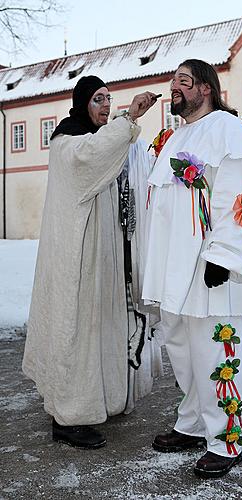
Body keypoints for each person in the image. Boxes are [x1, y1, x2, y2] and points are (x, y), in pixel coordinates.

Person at [142, 59, 242, 478]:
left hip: (212, 267)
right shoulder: (176, 136)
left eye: (183, 80)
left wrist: (225, 256)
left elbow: (238, 196)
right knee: (182, 348)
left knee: (216, 349)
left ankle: (227, 439)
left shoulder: (228, 131)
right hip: (174, 271)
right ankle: (196, 423)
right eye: (173, 80)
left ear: (206, 89)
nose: (174, 87)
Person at [22, 75, 158, 449]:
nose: (105, 106)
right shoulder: (68, 142)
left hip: (99, 256)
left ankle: (97, 400)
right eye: (98, 99)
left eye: (109, 100)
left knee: (97, 329)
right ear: (82, 104)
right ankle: (69, 417)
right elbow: (91, 158)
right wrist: (128, 119)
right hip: (76, 261)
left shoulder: (95, 138)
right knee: (77, 334)